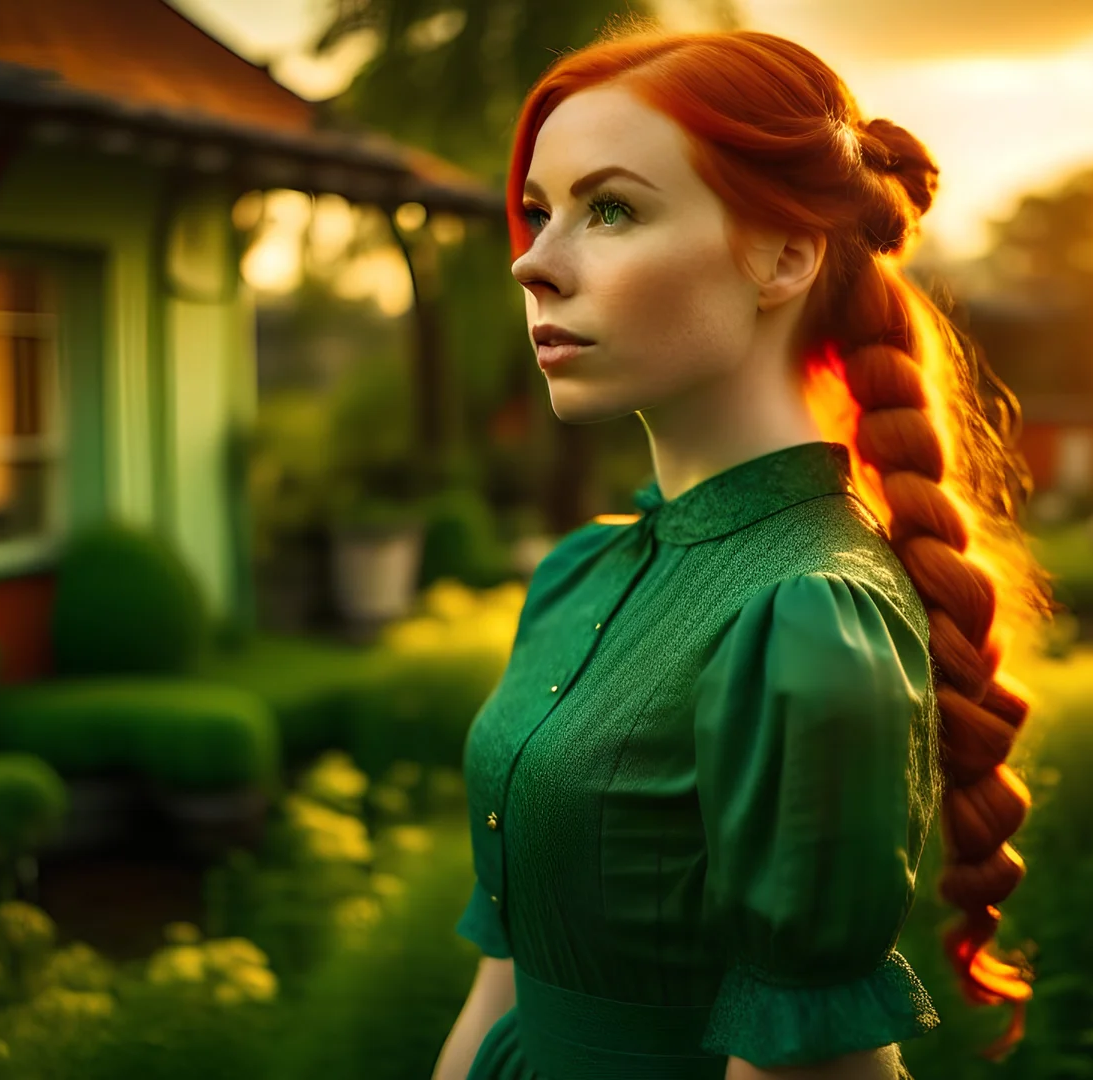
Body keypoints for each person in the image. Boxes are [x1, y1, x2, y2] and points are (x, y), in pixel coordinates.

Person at [432, 25, 1043, 1080]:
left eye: (610, 208)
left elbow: (811, 1059)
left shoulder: (807, 616)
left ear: (785, 255)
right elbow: (505, 981)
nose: (533, 261)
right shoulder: (580, 572)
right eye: (540, 211)